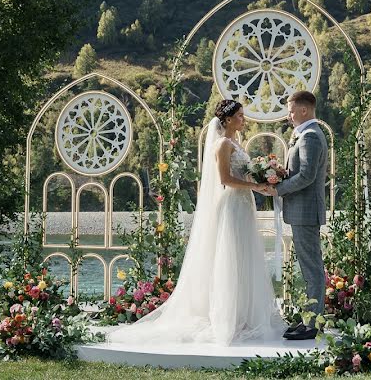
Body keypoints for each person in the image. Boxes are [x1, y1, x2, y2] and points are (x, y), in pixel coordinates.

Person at [104, 99, 286, 346]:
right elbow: (224, 179)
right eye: (240, 116)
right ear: (228, 119)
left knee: (245, 256)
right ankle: (228, 317)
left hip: (244, 204)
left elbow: (242, 174)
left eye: (244, 116)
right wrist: (255, 185)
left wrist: (262, 183)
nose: (244, 120)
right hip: (232, 204)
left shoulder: (237, 142)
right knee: (230, 257)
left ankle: (244, 314)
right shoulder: (222, 144)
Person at [261, 90, 328, 341]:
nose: (288, 115)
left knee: (312, 268)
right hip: (301, 211)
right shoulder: (302, 134)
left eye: (290, 110)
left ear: (303, 110)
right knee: (309, 266)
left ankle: (313, 324)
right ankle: (311, 318)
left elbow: (308, 176)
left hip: (306, 211)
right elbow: (297, 171)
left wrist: (278, 188)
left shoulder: (310, 136)